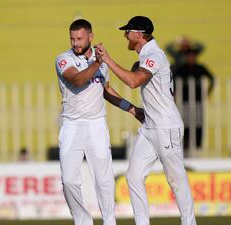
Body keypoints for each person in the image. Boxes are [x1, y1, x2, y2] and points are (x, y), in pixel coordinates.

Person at [95, 16, 197, 225]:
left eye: (128, 31)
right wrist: (133, 110)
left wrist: (108, 60)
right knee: (133, 177)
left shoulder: (154, 55)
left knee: (176, 179)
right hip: (150, 127)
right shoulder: (146, 56)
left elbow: (134, 82)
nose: (125, 35)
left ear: (139, 34)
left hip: (167, 126)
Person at [55, 19, 144, 225]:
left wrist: (131, 109)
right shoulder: (63, 59)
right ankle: (82, 221)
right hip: (72, 125)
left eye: (79, 38)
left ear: (90, 37)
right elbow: (77, 79)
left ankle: (109, 221)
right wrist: (97, 63)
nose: (75, 43)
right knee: (69, 180)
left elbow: (106, 91)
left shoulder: (100, 61)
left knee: (104, 179)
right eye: (72, 39)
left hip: (96, 124)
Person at [172, 46, 215, 152]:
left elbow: (212, 79)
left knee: (198, 123)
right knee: (185, 123)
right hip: (184, 101)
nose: (191, 58)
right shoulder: (181, 68)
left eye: (193, 56)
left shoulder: (200, 68)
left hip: (198, 101)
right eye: (189, 56)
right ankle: (186, 146)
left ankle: (197, 146)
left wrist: (208, 92)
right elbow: (172, 79)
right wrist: (174, 93)